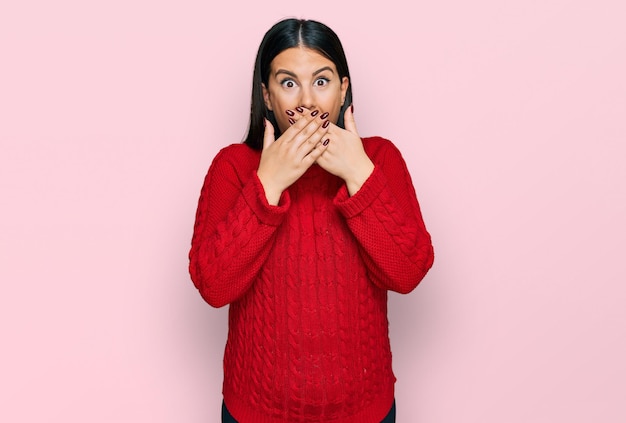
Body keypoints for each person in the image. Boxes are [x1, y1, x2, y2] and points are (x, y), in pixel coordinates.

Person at [188, 18, 434, 423]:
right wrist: (267, 184)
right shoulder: (233, 166)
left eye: (321, 82)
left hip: (365, 411)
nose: (308, 100)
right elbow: (213, 286)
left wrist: (359, 175)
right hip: (255, 412)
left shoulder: (380, 159)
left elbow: (407, 273)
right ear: (267, 96)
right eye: (288, 83)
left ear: (343, 89)